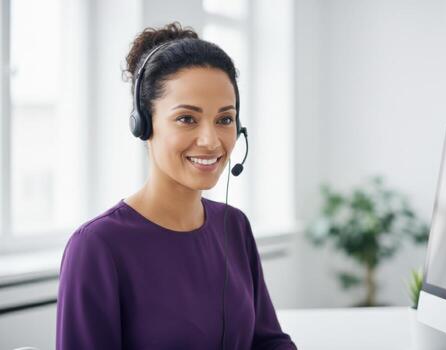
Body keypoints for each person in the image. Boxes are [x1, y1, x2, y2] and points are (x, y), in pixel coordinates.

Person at [56, 22, 297, 350]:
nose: (211, 141)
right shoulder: (97, 247)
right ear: (143, 123)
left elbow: (268, 342)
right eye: (187, 118)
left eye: (224, 119)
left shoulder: (234, 226)